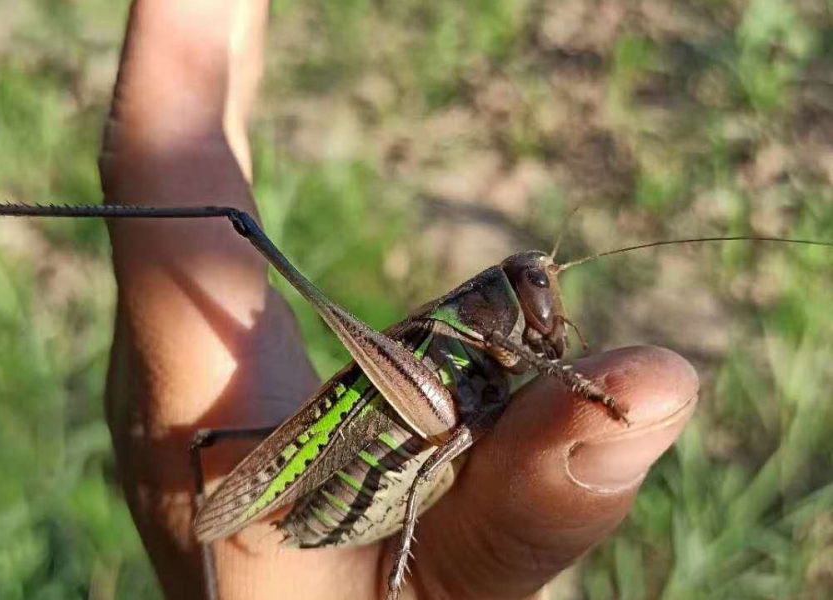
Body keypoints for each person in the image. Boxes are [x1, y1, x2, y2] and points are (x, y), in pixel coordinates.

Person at [99, 1, 699, 598]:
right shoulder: (458, 341)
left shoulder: (485, 351)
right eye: (539, 287)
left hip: (415, 434)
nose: (550, 309)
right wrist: (583, 386)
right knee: (238, 222)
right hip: (392, 424)